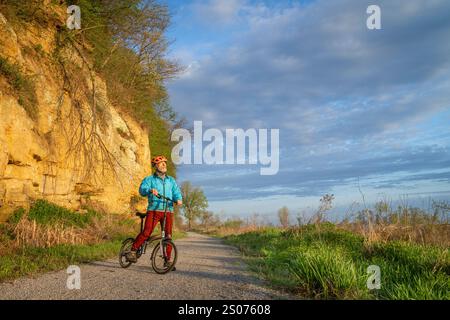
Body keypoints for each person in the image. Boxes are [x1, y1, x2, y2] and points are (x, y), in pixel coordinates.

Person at [126, 155, 182, 270]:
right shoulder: (149, 179)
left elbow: (176, 191)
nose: (164, 165)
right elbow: (142, 190)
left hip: (168, 210)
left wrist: (178, 199)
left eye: (165, 163)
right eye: (161, 163)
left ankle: (167, 261)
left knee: (168, 236)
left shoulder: (170, 180)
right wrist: (150, 190)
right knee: (147, 232)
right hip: (154, 209)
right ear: (156, 166)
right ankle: (132, 250)